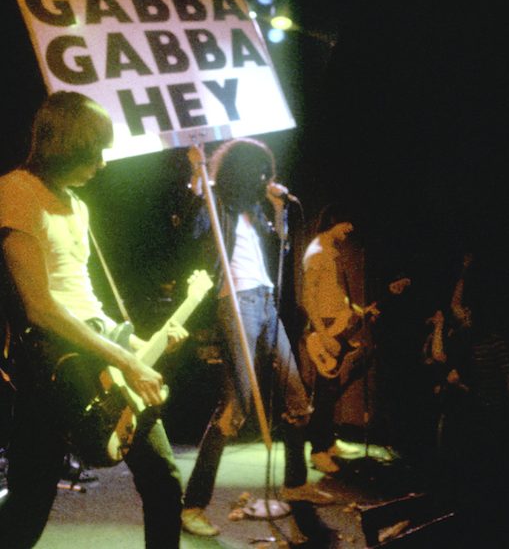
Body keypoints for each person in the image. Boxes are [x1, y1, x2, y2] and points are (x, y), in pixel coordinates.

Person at [0, 91, 186, 549]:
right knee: (28, 501)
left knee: (163, 479)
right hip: (51, 365)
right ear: (65, 145)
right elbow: (39, 306)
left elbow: (85, 299)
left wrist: (140, 343)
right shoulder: (15, 191)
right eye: (94, 152)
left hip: (100, 349)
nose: (102, 164)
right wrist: (126, 359)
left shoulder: (78, 206)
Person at [179, 140, 333, 538]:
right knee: (234, 408)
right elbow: (198, 222)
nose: (266, 179)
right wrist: (199, 176)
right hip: (237, 303)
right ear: (240, 171)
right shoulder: (217, 204)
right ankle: (192, 504)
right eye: (260, 172)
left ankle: (295, 484)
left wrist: (280, 211)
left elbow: (279, 247)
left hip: (265, 302)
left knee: (297, 399)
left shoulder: (255, 210)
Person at [299, 203, 368, 474]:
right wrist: (324, 333)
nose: (351, 229)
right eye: (347, 223)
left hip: (335, 323)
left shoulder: (330, 252)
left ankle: (327, 443)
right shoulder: (317, 252)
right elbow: (308, 297)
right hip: (324, 327)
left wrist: (355, 310)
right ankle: (317, 450)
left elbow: (333, 292)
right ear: (334, 221)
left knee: (330, 389)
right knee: (324, 390)